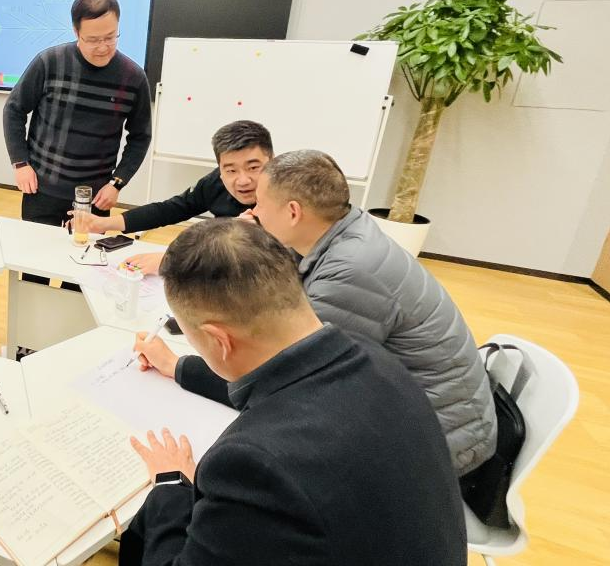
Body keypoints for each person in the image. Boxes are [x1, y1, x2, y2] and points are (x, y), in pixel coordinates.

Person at [120, 218, 466, 565]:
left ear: (218, 339)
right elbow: (286, 380)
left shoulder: (252, 465)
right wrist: (178, 366)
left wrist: (170, 484)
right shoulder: (376, 358)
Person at [139, 149, 497, 477]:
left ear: (293, 212)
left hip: (438, 442)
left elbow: (287, 382)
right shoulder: (344, 231)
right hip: (426, 410)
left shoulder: (349, 274)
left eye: (260, 203)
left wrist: (176, 366)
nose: (253, 212)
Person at [2, 0, 152, 228]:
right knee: (35, 250)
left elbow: (141, 136)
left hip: (95, 196)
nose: (103, 47)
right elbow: (14, 110)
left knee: (86, 252)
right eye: (92, 39)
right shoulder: (49, 62)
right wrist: (20, 163)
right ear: (76, 32)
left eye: (110, 37)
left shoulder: (133, 77)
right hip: (42, 189)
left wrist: (117, 183)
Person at [84, 120, 272, 274]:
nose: (243, 180)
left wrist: (173, 261)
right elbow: (171, 209)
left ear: (272, 161)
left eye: (253, 167)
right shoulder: (215, 183)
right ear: (221, 170)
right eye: (231, 170)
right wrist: (104, 223)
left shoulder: (285, 196)